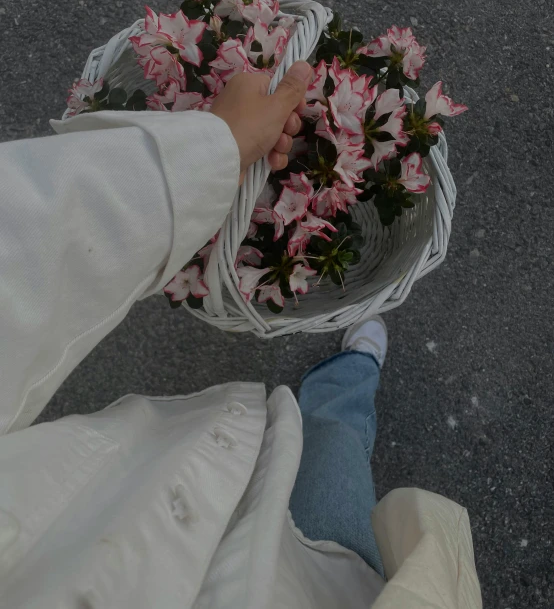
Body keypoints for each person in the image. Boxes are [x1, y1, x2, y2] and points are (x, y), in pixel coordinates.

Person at [0, 61, 482, 608]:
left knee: (320, 442)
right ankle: (355, 372)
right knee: (336, 437)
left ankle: (353, 372)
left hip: (150, 484)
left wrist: (215, 149)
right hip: (320, 581)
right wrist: (211, 152)